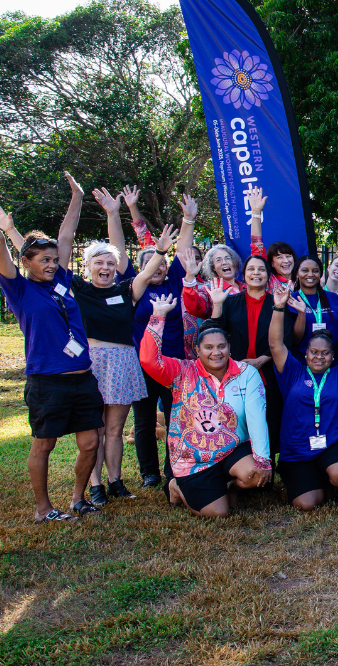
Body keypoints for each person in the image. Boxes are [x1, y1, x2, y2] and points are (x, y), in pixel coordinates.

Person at [0, 177, 105, 521]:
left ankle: (78, 499)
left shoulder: (59, 281)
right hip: (48, 381)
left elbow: (67, 236)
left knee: (90, 443)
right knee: (44, 445)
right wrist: (5, 229)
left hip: (83, 378)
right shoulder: (18, 289)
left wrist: (76, 197)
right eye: (43, 259)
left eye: (54, 260)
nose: (50, 264)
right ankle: (43, 509)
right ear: (26, 262)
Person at [76, 188, 170, 504]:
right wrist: (112, 213)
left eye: (109, 264)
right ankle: (95, 485)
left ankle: (115, 482)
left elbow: (145, 273)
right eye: (99, 263)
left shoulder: (126, 290)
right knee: (95, 429)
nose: (104, 268)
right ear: (89, 265)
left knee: (115, 429)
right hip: (92, 362)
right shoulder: (80, 291)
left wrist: (159, 251)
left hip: (123, 361)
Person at [139, 295, 272, 517]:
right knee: (217, 513)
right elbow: (150, 361)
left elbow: (256, 417)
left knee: (257, 476)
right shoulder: (182, 372)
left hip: (232, 448)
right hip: (194, 459)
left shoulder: (247, 373)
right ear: (198, 350)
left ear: (229, 347)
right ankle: (176, 486)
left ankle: (230, 488)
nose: (216, 352)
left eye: (221, 346)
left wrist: (264, 460)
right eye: (208, 347)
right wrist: (159, 315)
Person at [269, 283, 338, 510]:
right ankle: (316, 479)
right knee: (307, 504)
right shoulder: (292, 372)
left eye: (325, 353)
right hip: (297, 449)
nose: (319, 357)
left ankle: (329, 474)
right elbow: (276, 345)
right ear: (305, 354)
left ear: (332, 355)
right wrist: (278, 308)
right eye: (314, 352)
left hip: (332, 443)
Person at [126, 193, 198, 488]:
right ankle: (149, 474)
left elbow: (182, 250)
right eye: (152, 264)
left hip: (174, 364)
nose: (159, 268)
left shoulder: (173, 281)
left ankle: (173, 470)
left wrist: (188, 219)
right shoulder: (136, 288)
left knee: (174, 418)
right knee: (143, 421)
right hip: (142, 364)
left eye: (162, 264)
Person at [199, 255, 279, 454]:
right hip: (234, 373)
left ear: (268, 276)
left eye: (261, 269)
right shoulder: (230, 302)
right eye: (251, 269)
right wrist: (217, 305)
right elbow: (212, 332)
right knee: (234, 422)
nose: (256, 273)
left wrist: (262, 360)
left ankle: (266, 472)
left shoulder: (276, 303)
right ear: (243, 275)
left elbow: (284, 337)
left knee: (265, 422)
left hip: (267, 371)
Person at [286, 255, 338, 360]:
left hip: (332, 361)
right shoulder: (291, 300)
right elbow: (295, 340)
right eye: (305, 270)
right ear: (297, 273)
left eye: (315, 271)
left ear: (320, 274)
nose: (310, 274)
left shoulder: (334, 298)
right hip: (302, 361)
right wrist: (301, 314)